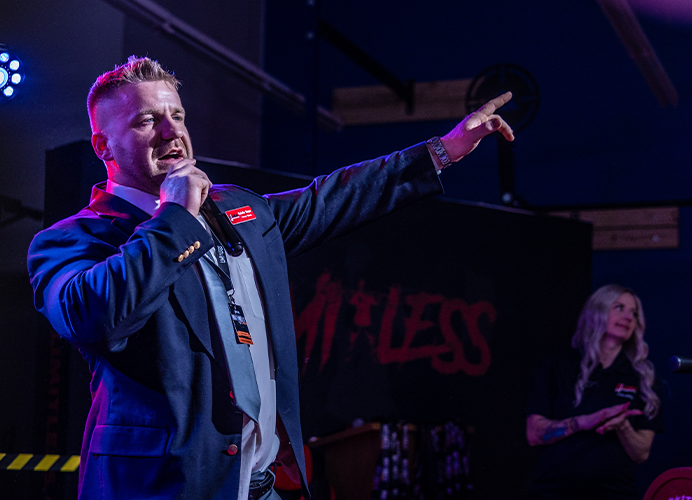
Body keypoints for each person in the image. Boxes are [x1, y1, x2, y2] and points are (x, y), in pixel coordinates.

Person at [27, 56, 516, 500]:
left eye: (177, 115)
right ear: (103, 145)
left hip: (262, 485)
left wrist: (444, 150)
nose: (171, 131)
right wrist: (174, 217)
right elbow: (95, 317)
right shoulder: (75, 239)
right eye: (146, 120)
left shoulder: (236, 208)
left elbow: (332, 198)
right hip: (164, 488)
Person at [524, 284, 664, 499]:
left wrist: (623, 427)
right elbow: (534, 434)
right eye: (619, 307)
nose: (628, 317)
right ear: (597, 310)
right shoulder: (558, 364)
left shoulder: (642, 377)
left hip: (615, 493)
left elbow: (641, 454)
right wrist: (583, 422)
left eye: (634, 313)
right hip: (553, 491)